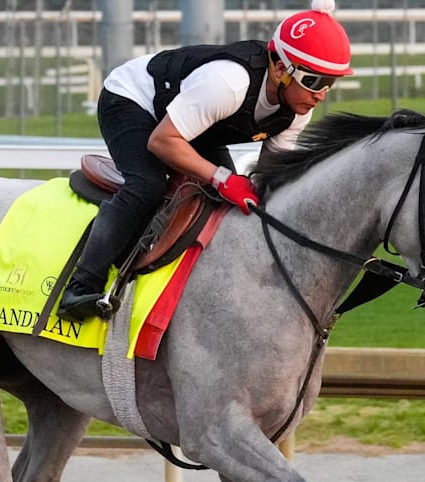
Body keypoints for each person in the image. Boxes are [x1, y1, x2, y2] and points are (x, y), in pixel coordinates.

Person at [57, 0, 353, 322]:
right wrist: (223, 178)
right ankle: (81, 285)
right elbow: (162, 141)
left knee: (226, 201)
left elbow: (270, 179)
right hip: (133, 102)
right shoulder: (228, 84)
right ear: (281, 69)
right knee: (148, 184)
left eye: (329, 83)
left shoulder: (297, 111)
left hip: (195, 122)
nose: (320, 94)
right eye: (313, 81)